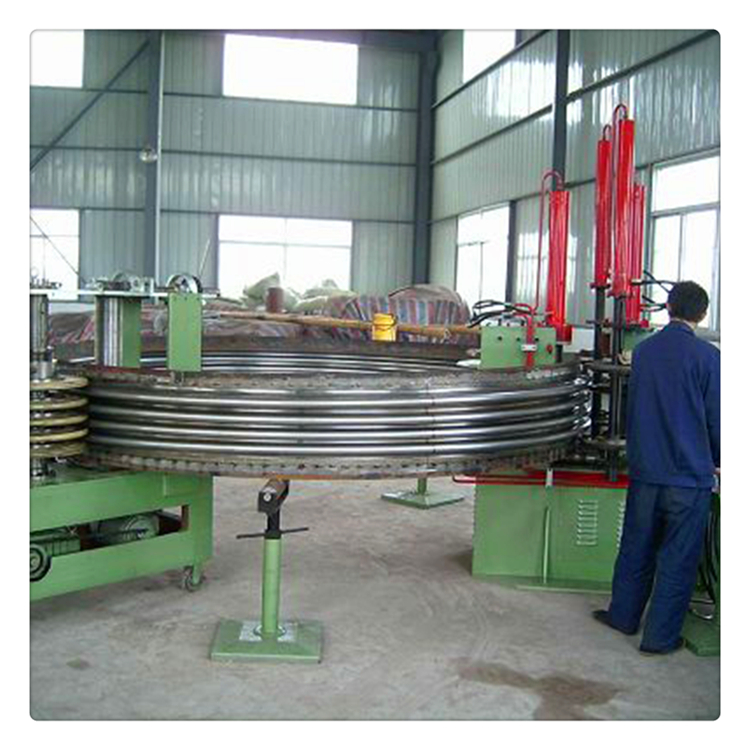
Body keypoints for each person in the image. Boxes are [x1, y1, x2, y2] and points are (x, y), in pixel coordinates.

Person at [593, 280, 720, 655]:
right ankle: (660, 638)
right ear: (703, 314)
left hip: (646, 470)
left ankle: (623, 616)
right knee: (678, 559)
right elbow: (716, 418)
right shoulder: (708, 357)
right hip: (688, 477)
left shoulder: (644, 352)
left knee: (636, 546)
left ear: (668, 308)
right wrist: (720, 460)